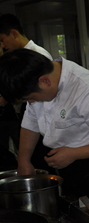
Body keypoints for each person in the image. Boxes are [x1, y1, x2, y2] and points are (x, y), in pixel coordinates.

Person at [0, 49, 89, 221]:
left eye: (31, 97)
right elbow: (31, 122)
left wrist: (73, 153)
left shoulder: (88, 89)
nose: (31, 103)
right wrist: (24, 160)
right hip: (70, 166)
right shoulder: (37, 80)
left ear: (45, 81)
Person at [0, 13, 53, 171]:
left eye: (2, 39)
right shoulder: (18, 57)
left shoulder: (37, 55)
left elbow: (40, 96)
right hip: (32, 114)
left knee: (43, 163)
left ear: (14, 33)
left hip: (43, 117)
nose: (2, 45)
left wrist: (7, 98)